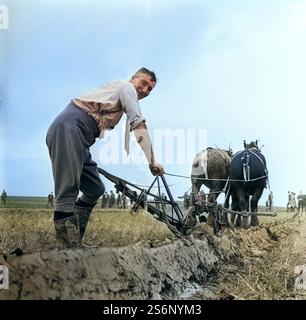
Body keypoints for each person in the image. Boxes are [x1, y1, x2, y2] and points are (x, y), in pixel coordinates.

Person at [46, 68, 164, 248]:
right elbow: (138, 123)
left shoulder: (122, 90)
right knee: (68, 189)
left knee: (95, 188)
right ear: (134, 78)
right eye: (144, 83)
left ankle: (75, 241)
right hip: (71, 127)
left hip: (82, 137)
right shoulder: (127, 89)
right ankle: (66, 250)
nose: (145, 90)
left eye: (150, 89)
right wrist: (152, 160)